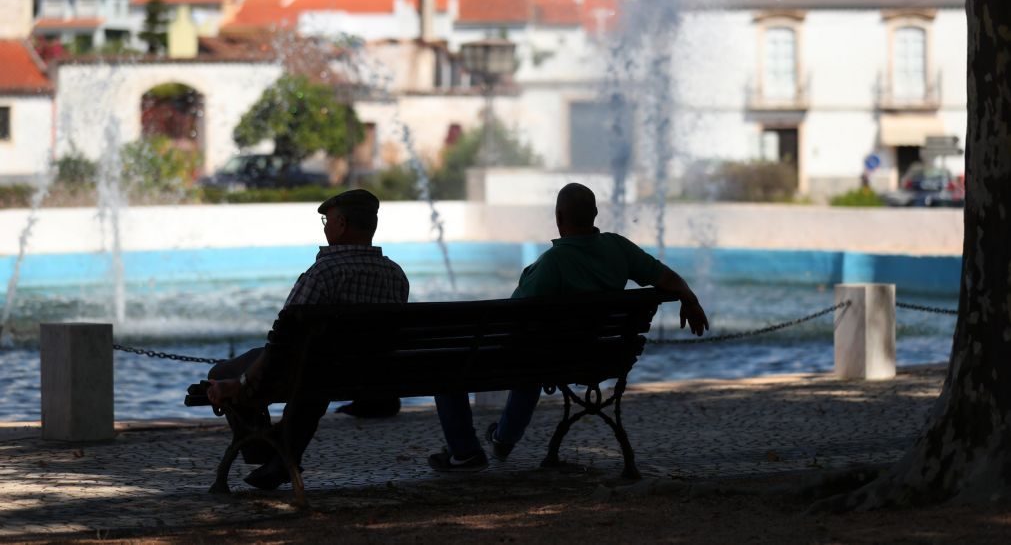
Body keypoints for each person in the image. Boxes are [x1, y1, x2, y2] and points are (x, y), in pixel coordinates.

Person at [428, 182, 709, 472]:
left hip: (544, 359)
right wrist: (689, 298)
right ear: (595, 214)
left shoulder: (553, 263)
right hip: (594, 358)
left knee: (454, 367)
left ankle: (465, 452)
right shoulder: (619, 249)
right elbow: (667, 278)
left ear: (559, 217)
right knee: (532, 360)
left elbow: (509, 320)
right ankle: (502, 438)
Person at [206, 188, 409, 490]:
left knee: (222, 372)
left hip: (311, 373)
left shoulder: (323, 274)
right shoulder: (396, 275)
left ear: (341, 224)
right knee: (316, 369)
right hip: (366, 376)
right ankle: (280, 451)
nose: (325, 227)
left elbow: (283, 340)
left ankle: (266, 447)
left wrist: (242, 382)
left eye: (327, 220)